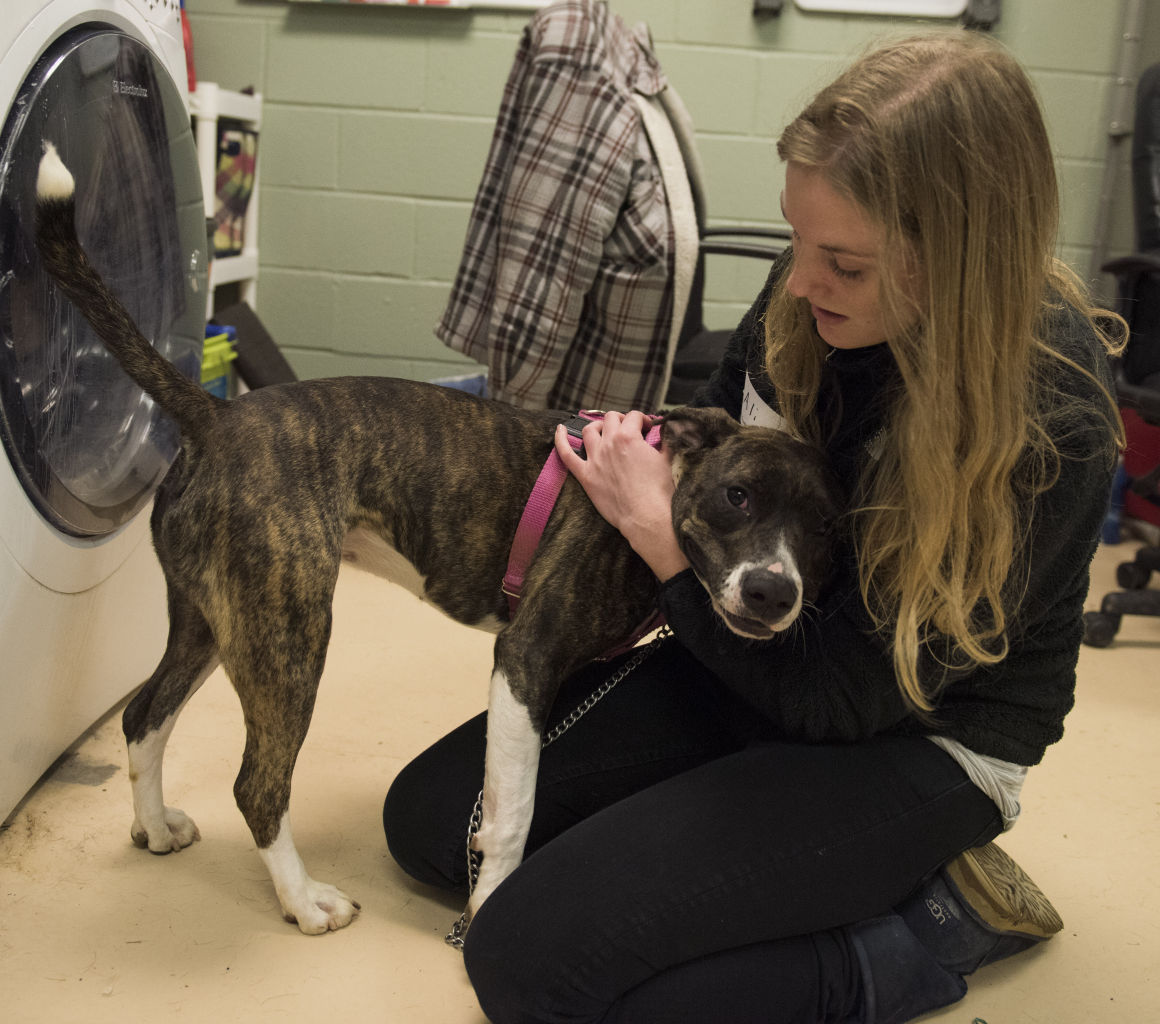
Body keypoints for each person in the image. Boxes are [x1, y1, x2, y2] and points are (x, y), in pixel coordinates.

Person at [384, 31, 1124, 1023]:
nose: (802, 281)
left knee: (529, 963)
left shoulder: (1046, 420)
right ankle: (772, 864)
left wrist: (659, 543)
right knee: (434, 821)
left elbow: (841, 698)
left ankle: (915, 937)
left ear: (956, 262)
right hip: (752, 663)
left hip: (913, 735)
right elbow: (717, 466)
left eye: (844, 264)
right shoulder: (808, 306)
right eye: (797, 240)